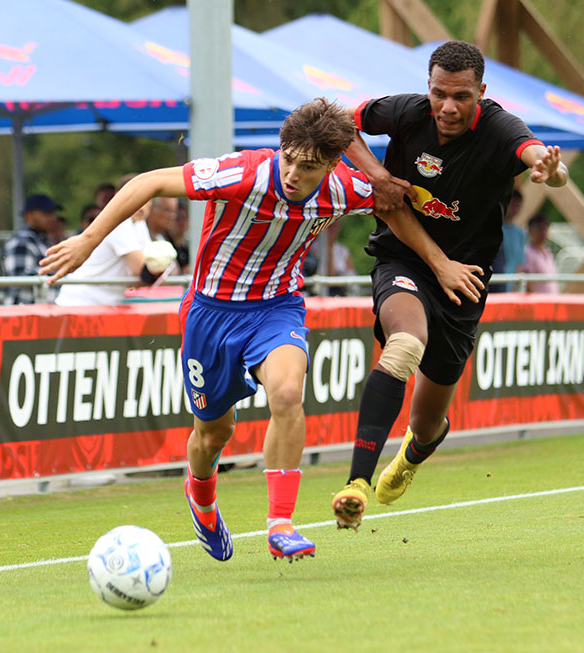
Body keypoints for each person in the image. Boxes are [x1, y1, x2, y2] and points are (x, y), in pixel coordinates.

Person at [40, 98, 482, 562]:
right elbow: (150, 182)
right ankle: (202, 497)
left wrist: (441, 262)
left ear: (331, 164)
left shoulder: (342, 188)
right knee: (213, 434)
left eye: (308, 167)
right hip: (211, 314)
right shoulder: (242, 173)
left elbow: (393, 209)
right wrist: (88, 240)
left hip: (277, 308)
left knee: (288, 393)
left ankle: (281, 524)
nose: (293, 174)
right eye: (288, 158)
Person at [331, 40, 568, 530]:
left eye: (461, 96)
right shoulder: (406, 112)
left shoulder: (501, 129)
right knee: (404, 344)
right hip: (402, 258)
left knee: (426, 422)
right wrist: (375, 173)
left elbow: (538, 156)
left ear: (481, 91)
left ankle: (413, 456)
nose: (447, 107)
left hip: (465, 281)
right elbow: (336, 119)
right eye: (439, 93)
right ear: (428, 86)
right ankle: (355, 484)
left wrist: (552, 170)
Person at [2, 193, 62, 304]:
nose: (52, 217)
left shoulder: (40, 240)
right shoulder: (22, 239)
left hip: (35, 313)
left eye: (53, 213)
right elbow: (19, 276)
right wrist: (57, 276)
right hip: (23, 313)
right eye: (46, 213)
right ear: (28, 215)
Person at [491, 189, 526, 292]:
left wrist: (515, 287)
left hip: (509, 287)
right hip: (493, 284)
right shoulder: (494, 228)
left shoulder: (520, 233)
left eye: (518, 205)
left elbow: (519, 263)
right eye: (512, 204)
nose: (514, 208)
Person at [520, 212, 558, 293]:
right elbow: (528, 281)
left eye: (545, 227)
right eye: (539, 228)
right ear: (530, 230)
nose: (542, 231)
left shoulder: (548, 252)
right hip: (538, 302)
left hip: (551, 301)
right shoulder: (528, 252)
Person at [165, 201, 191, 275]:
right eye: (178, 218)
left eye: (185, 218)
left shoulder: (189, 245)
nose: (182, 222)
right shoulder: (165, 243)